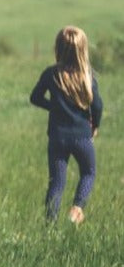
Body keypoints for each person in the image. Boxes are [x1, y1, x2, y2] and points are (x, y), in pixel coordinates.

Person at [29, 26, 102, 224]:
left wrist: (54, 107)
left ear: (58, 48)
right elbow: (97, 106)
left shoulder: (51, 74)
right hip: (82, 137)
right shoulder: (87, 76)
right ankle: (77, 208)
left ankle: (50, 224)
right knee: (88, 173)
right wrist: (94, 125)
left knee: (57, 182)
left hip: (57, 137)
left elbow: (35, 97)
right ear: (83, 49)